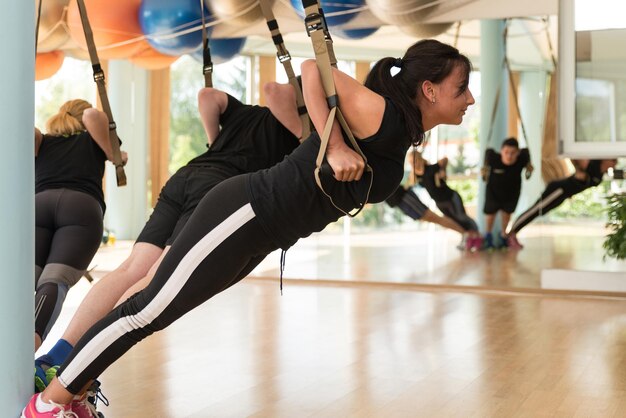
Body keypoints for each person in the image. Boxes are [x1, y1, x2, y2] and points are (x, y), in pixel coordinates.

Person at [23, 39, 475, 418]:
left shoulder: (398, 133)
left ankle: (72, 393)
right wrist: (332, 146)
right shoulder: (382, 112)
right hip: (246, 210)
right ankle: (48, 404)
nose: (469, 99)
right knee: (146, 308)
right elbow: (313, 70)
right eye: (462, 88)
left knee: (155, 310)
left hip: (265, 235)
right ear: (430, 89)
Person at [33, 82, 303, 394]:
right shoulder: (300, 132)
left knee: (132, 268)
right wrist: (301, 133)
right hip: (217, 190)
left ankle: (56, 357)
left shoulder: (246, 114)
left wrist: (215, 143)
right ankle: (75, 366)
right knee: (157, 276)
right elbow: (273, 89)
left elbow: (207, 96)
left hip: (186, 177)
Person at [34, 99, 127, 353]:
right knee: (54, 280)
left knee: (27, 278)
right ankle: (28, 343)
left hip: (39, 206)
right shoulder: (95, 140)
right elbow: (93, 115)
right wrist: (115, 154)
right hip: (81, 208)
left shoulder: (42, 142)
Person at [506, 159, 618, 249]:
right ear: (607, 160)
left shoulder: (600, 175)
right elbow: (574, 157)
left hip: (564, 195)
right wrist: (579, 170)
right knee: (536, 210)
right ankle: (511, 234)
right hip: (559, 189)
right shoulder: (592, 164)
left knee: (540, 212)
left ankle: (513, 234)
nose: (614, 164)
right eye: (614, 161)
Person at [412, 150, 481, 250]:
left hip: (450, 197)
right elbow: (412, 182)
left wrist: (443, 170)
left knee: (462, 217)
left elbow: (445, 159)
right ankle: (467, 237)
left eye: (413, 161)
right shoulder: (418, 175)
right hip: (440, 202)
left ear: (419, 159)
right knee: (453, 220)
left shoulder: (431, 168)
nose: (413, 163)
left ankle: (477, 235)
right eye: (411, 162)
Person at [482, 137, 532, 249]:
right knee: (490, 215)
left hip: (511, 193)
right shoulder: (492, 158)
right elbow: (488, 152)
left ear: (518, 153)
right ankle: (488, 237)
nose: (509, 156)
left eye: (513, 153)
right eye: (506, 152)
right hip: (493, 192)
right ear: (501, 151)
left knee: (506, 215)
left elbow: (526, 153)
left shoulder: (522, 159)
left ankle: (503, 236)